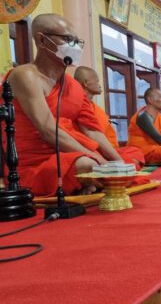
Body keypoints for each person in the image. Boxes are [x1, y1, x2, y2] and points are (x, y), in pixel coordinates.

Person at [5, 13, 112, 196]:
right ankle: (85, 181)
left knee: (129, 157)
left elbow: (91, 130)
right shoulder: (25, 75)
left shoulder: (72, 85)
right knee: (87, 165)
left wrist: (119, 164)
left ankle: (87, 182)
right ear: (42, 40)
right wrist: (96, 158)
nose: (74, 46)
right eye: (68, 39)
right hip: (37, 164)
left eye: (77, 41)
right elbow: (47, 130)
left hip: (72, 152)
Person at [73, 66, 145, 167]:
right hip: (94, 149)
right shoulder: (77, 103)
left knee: (135, 151)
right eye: (97, 81)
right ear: (86, 82)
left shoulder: (95, 108)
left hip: (109, 148)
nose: (100, 85)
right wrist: (119, 160)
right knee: (131, 160)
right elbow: (91, 134)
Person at [127, 88, 161, 165]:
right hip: (140, 152)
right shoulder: (142, 116)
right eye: (160, 97)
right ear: (150, 100)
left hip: (155, 150)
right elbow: (160, 139)